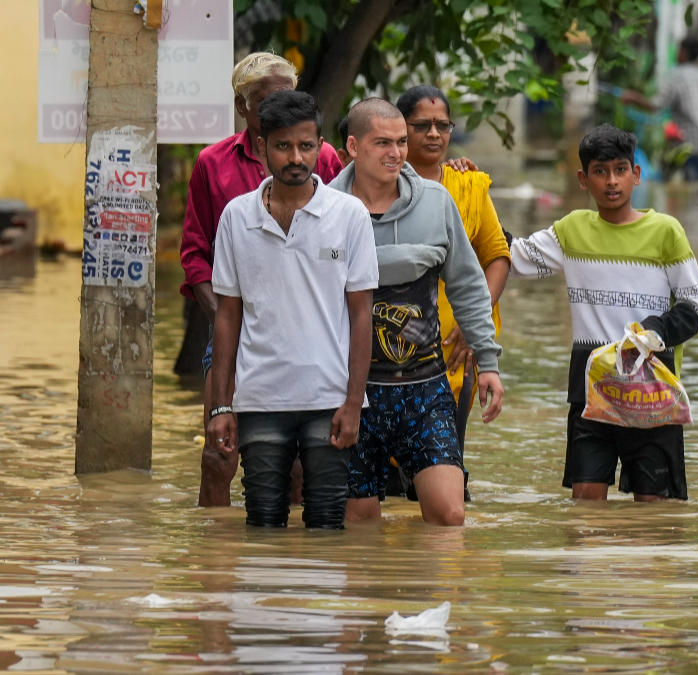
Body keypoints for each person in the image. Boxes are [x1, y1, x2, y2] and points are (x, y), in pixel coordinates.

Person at [507, 125, 698, 502]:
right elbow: (511, 255)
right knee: (585, 502)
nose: (612, 181)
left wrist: (653, 331)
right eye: (600, 171)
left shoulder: (666, 232)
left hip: (651, 390)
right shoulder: (571, 231)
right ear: (584, 179)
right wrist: (461, 192)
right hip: (590, 390)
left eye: (620, 170)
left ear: (636, 174)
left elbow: (696, 307)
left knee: (654, 509)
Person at [206, 90, 378, 529]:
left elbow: (362, 314)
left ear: (320, 146)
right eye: (283, 146)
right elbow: (227, 315)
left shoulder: (349, 215)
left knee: (325, 523)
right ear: (261, 147)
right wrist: (221, 406)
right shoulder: (236, 218)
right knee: (262, 522)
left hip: (330, 399)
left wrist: (354, 402)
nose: (295, 157)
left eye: (306, 145)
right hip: (260, 399)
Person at [329, 98, 504, 527]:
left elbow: (466, 282)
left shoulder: (435, 202)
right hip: (352, 394)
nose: (397, 153)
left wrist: (489, 361)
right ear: (353, 146)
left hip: (425, 390)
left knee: (449, 516)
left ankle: (439, 597)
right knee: (359, 524)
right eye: (382, 143)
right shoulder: (325, 209)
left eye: (401, 143)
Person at [180, 52, 343, 508]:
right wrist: (230, 317)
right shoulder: (213, 164)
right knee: (218, 454)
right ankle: (216, 555)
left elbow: (366, 202)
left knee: (297, 465)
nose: (279, 110)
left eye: (288, 98)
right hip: (235, 327)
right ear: (242, 107)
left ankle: (285, 563)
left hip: (308, 332)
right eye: (267, 102)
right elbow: (195, 257)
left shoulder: (323, 158)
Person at [394, 85, 511, 489]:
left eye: (442, 125)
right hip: (386, 348)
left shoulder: (469, 185)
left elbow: (496, 255)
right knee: (383, 478)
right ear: (400, 129)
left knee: (442, 466)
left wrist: (473, 323)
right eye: (421, 125)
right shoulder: (379, 185)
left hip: (454, 348)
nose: (433, 134)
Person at [625, 38, 698, 182]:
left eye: (679, 50)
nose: (676, 53)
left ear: (684, 53)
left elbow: (655, 106)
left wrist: (633, 98)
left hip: (691, 143)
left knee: (690, 187)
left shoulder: (676, 76)